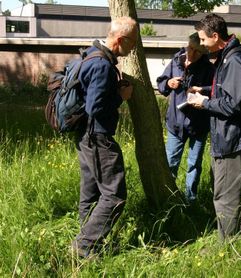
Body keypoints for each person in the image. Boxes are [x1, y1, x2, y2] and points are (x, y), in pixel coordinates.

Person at [72, 16, 138, 258]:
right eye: (131, 44)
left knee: (89, 192)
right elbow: (95, 107)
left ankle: (87, 241)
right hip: (97, 137)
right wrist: (122, 96)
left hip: (84, 136)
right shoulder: (101, 65)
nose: (132, 50)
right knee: (115, 195)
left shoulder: (91, 54)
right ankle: (84, 245)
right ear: (120, 39)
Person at [187, 14, 241, 241]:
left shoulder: (235, 60)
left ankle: (227, 246)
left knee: (225, 195)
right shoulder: (227, 56)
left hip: (231, 138)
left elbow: (236, 103)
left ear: (215, 36)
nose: (202, 44)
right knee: (221, 190)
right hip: (223, 136)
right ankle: (227, 235)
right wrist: (205, 90)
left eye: (203, 39)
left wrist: (204, 103)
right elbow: (228, 90)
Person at [156, 33, 214, 203]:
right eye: (190, 48)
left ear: (203, 52)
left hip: (199, 125)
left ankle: (191, 199)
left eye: (197, 51)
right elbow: (161, 83)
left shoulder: (209, 68)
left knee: (194, 164)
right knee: (171, 163)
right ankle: (168, 198)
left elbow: (216, 90)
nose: (192, 53)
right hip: (175, 123)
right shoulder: (175, 62)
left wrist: (201, 90)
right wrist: (168, 83)